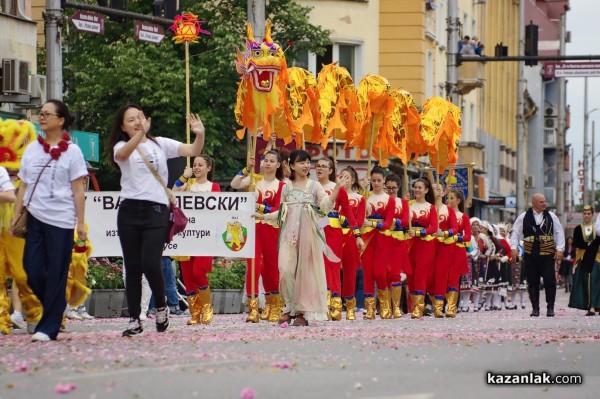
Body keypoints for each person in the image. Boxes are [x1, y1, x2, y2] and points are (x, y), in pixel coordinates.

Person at [108, 104, 205, 336]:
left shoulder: (160, 143)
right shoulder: (121, 146)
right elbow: (122, 156)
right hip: (129, 210)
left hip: (156, 210)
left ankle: (162, 307)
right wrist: (141, 134)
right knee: (132, 267)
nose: (136, 122)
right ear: (122, 126)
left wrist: (200, 133)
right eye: (130, 120)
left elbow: (192, 150)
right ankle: (134, 319)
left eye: (138, 117)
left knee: (151, 263)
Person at [10, 99, 88, 342]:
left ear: (61, 120)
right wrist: (15, 216)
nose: (41, 117)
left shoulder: (73, 151)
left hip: (62, 220)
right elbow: (24, 185)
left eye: (46, 114)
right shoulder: (32, 149)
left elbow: (78, 190)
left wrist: (81, 222)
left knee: (56, 272)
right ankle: (57, 305)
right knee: (31, 271)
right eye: (40, 114)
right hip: (35, 216)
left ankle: (48, 326)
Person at [257, 149, 349, 326]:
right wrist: (264, 217)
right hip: (288, 236)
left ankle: (302, 312)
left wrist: (336, 189)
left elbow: (325, 207)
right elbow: (282, 212)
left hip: (309, 236)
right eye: (302, 162)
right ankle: (290, 306)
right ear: (291, 165)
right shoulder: (286, 188)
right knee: (285, 270)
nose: (307, 165)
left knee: (305, 274)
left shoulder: (315, 186)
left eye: (308, 162)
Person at [173, 154, 219, 325]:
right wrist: (184, 176)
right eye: (194, 165)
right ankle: (194, 313)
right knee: (187, 275)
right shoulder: (187, 185)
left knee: (199, 272)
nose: (197, 168)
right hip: (187, 236)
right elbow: (173, 191)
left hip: (205, 237)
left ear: (208, 168)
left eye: (200, 165)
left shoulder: (214, 187)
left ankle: (207, 308)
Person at [315, 157, 362, 321]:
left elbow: (349, 213)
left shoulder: (338, 189)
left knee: (332, 267)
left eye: (324, 166)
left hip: (333, 231)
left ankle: (334, 305)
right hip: (313, 230)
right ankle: (318, 304)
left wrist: (357, 235)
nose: (319, 169)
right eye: (317, 166)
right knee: (315, 267)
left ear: (330, 170)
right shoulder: (310, 186)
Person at [246, 150, 286, 323]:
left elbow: (279, 210)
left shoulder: (282, 186)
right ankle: (253, 308)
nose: (268, 163)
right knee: (253, 266)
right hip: (254, 227)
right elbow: (234, 183)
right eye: (265, 160)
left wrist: (260, 207)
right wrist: (246, 170)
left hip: (272, 228)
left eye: (272, 161)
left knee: (271, 269)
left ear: (278, 165)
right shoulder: (254, 181)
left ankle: (274, 305)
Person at [510, 193, 565, 317]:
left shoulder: (552, 216)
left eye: (545, 201)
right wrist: (514, 248)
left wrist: (560, 249)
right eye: (541, 202)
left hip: (547, 254)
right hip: (530, 254)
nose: (544, 204)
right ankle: (535, 308)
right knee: (532, 281)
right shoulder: (523, 216)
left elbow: (559, 232)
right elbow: (515, 232)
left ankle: (550, 307)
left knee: (549, 280)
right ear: (533, 203)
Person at [360, 167, 395, 320]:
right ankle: (369, 309)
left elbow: (388, 224)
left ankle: (385, 306)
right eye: (373, 180)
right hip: (367, 238)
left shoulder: (390, 200)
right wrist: (361, 191)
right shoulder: (364, 197)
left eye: (379, 180)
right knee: (367, 273)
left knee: (380, 272)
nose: (376, 183)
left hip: (383, 239)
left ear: (384, 181)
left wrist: (373, 224)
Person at [407, 177, 438, 318]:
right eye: (415, 187)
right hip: (409, 244)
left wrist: (419, 232)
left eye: (420, 188)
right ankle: (414, 304)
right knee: (411, 275)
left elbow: (433, 227)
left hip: (425, 245)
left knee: (420, 274)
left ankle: (418, 308)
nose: (417, 190)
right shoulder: (408, 205)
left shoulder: (431, 207)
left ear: (426, 190)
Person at [338, 167, 366, 320]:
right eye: (341, 176)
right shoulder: (332, 194)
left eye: (347, 177)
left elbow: (360, 221)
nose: (343, 179)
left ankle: (350, 305)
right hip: (333, 236)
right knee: (332, 271)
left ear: (353, 180)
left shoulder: (359, 198)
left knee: (350, 273)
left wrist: (355, 233)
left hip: (350, 236)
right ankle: (333, 304)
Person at [384, 173, 410, 318]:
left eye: (394, 188)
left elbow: (405, 221)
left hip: (398, 241)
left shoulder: (403, 203)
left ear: (398, 188)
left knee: (396, 274)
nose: (391, 190)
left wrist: (391, 222)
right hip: (383, 240)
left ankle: (396, 307)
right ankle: (385, 307)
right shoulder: (381, 200)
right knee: (383, 274)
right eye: (388, 188)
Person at [429, 183, 458, 318]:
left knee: (441, 275)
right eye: (434, 189)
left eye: (439, 189)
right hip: (427, 245)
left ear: (443, 192)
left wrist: (444, 233)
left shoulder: (449, 210)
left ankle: (439, 308)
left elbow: (455, 229)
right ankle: (431, 303)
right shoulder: (426, 208)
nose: (436, 191)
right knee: (429, 276)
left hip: (445, 246)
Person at [568, 205, 600, 315]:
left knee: (594, 281)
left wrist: (591, 245)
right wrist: (591, 244)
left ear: (592, 214)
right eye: (584, 213)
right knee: (585, 283)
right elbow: (577, 243)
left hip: (596, 258)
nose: (586, 216)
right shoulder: (578, 228)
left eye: (588, 213)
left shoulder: (597, 228)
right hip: (583, 258)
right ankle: (589, 305)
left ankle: (593, 306)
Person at [445, 188, 471, 317]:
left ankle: (452, 306)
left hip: (457, 249)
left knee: (455, 278)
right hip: (444, 248)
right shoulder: (442, 213)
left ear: (458, 201)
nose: (448, 200)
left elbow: (468, 237)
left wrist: (456, 237)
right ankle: (441, 303)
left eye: (451, 198)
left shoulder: (463, 217)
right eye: (447, 198)